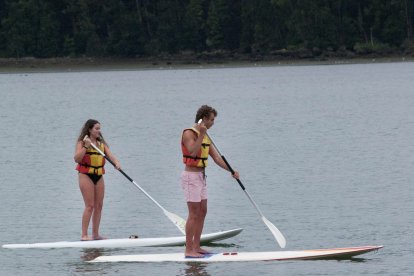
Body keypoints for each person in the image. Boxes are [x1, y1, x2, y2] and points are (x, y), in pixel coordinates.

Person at [181, 105, 240, 258]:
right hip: (190, 178)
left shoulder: (206, 136)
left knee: (203, 211)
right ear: (204, 118)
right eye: (212, 119)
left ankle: (197, 246)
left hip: (201, 177)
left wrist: (231, 170)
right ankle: (188, 250)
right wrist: (201, 134)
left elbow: (217, 158)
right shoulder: (189, 133)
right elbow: (193, 151)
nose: (213, 123)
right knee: (193, 213)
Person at [74, 119, 120, 241]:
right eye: (97, 128)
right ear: (90, 129)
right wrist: (86, 147)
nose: (99, 131)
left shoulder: (101, 144)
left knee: (99, 206)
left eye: (99, 128)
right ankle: (84, 235)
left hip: (98, 176)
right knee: (90, 206)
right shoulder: (81, 142)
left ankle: (95, 234)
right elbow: (77, 158)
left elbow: (110, 155)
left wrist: (116, 163)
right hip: (85, 175)